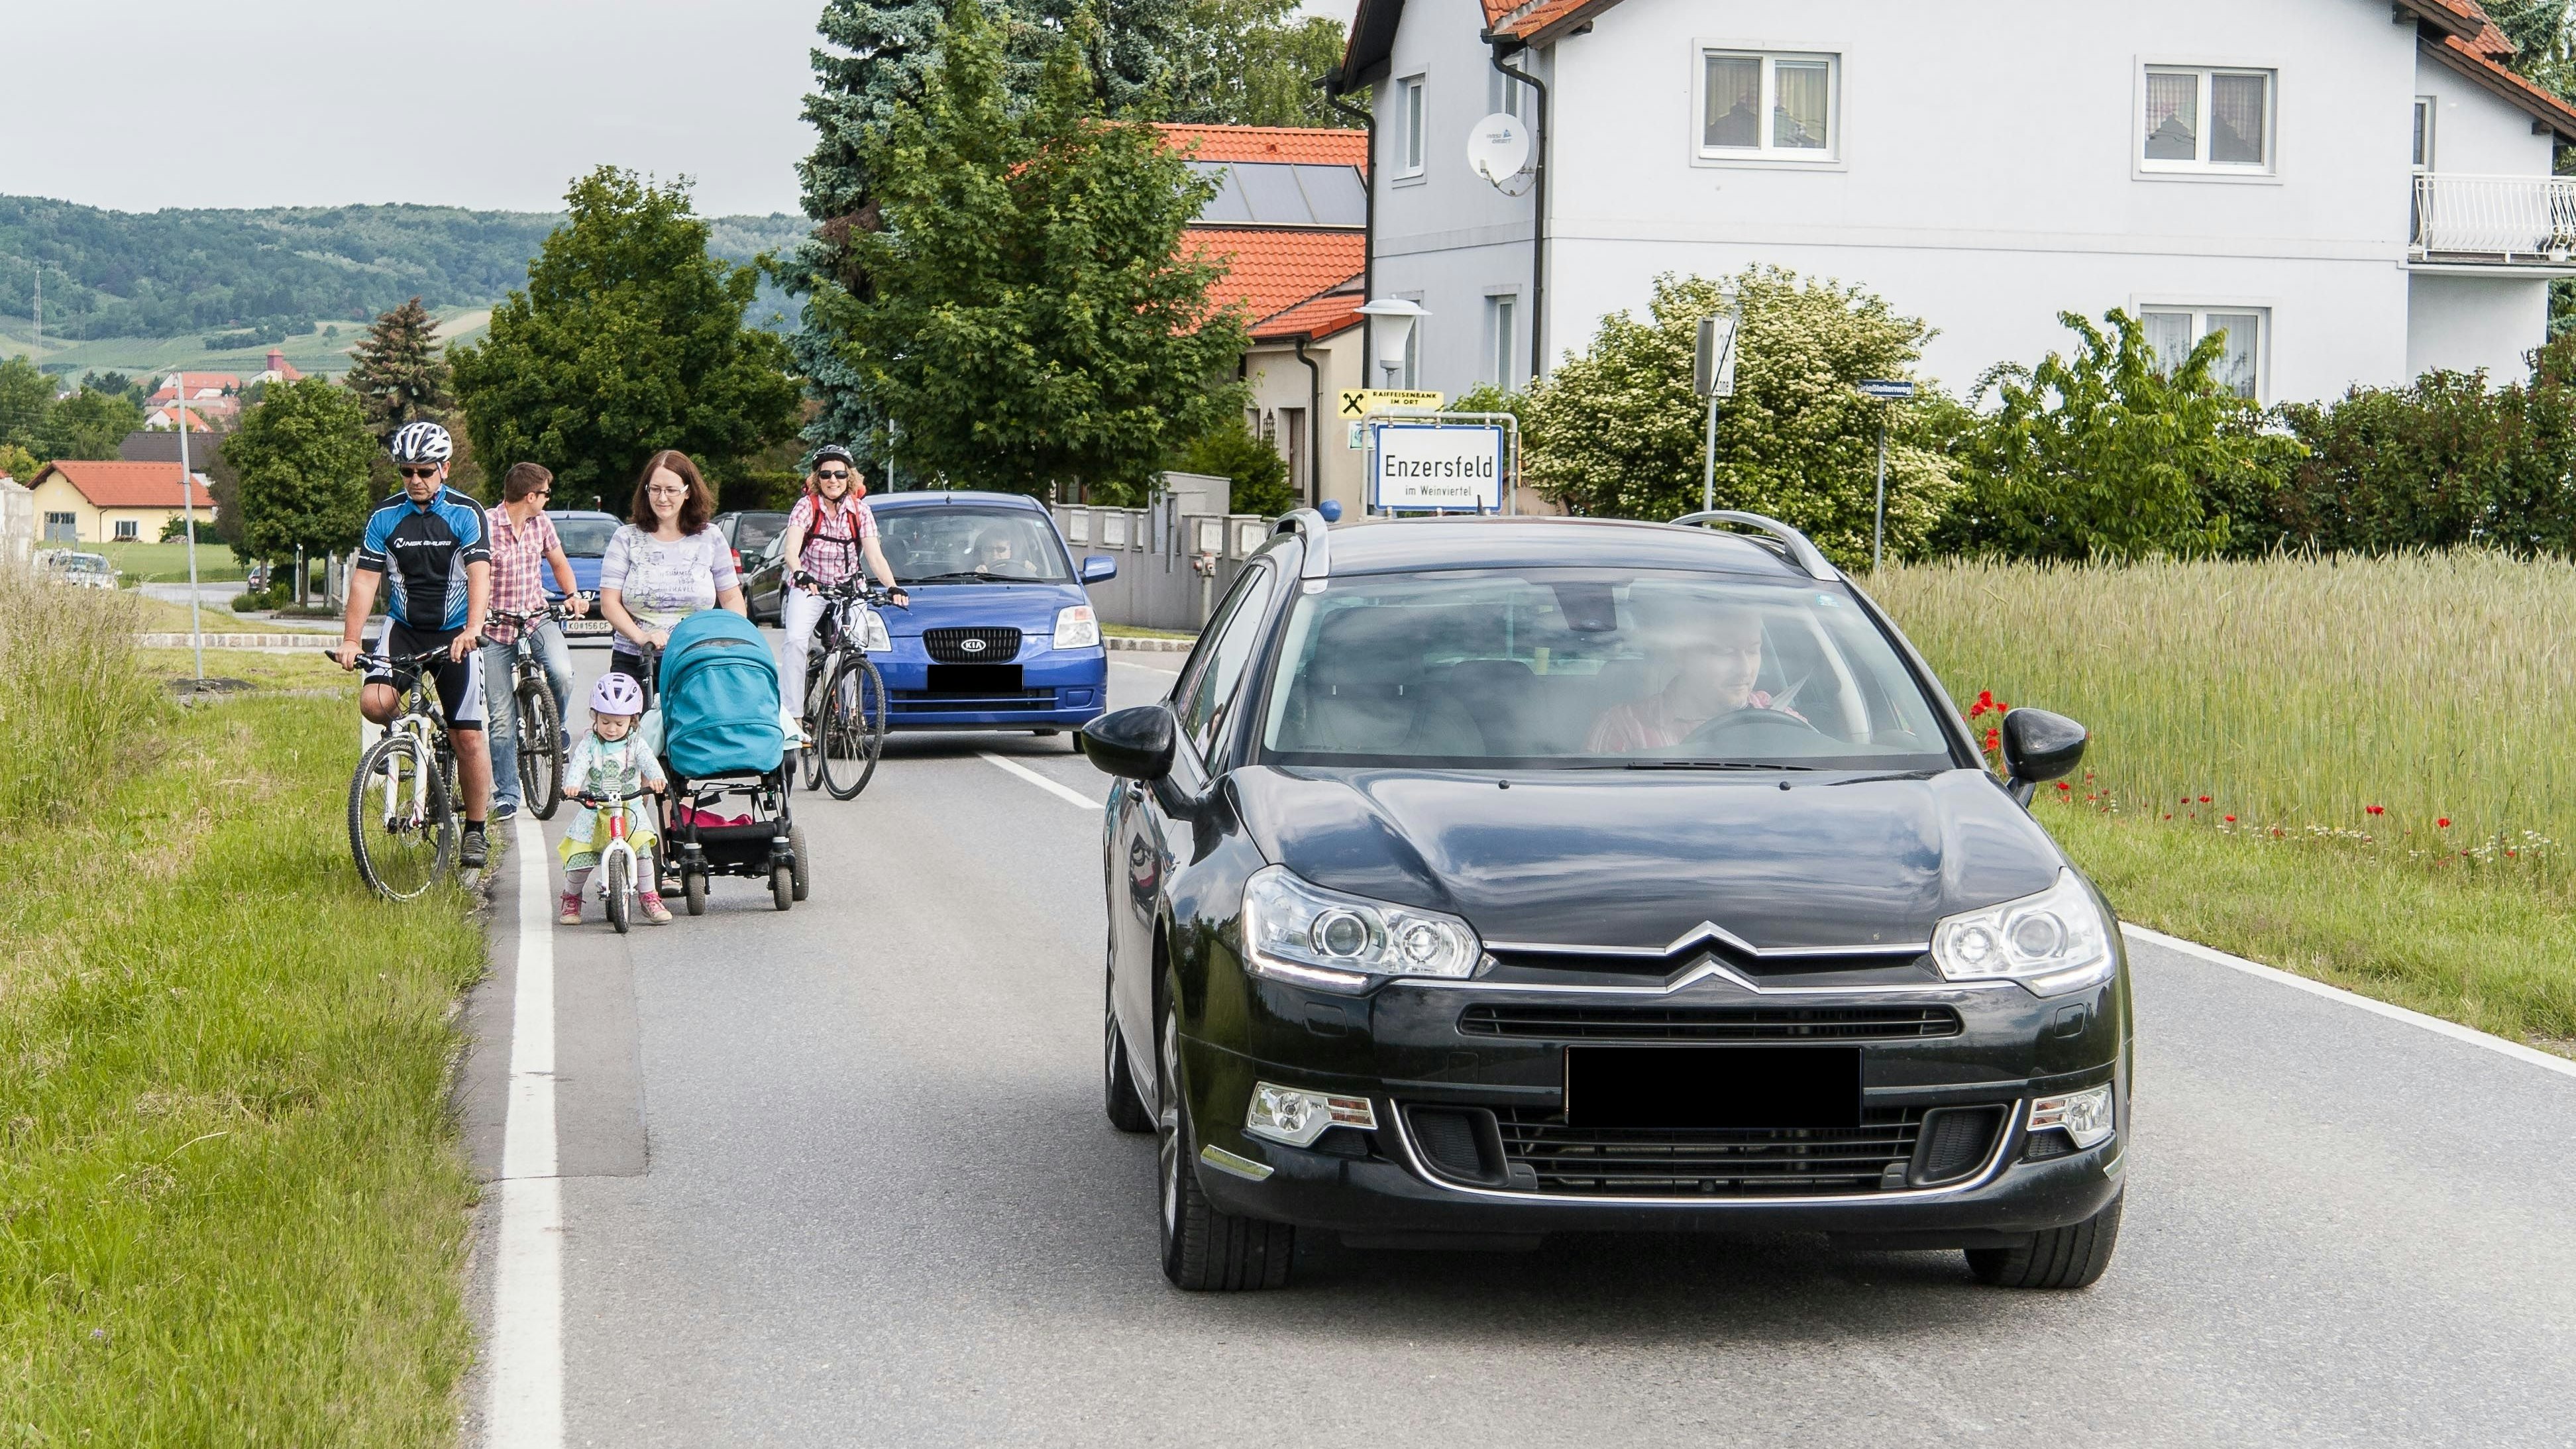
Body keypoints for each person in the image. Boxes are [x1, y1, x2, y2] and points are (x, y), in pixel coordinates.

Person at [332, 420, 498, 871]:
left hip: (455, 634)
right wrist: (351, 640)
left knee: (467, 735)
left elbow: (480, 574)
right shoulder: (385, 516)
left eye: (424, 471)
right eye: (407, 472)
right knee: (373, 701)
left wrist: (473, 628)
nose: (415, 481)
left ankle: (477, 830)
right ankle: (403, 737)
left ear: (444, 468)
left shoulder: (466, 512)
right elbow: (366, 580)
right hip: (404, 627)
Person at [479, 461, 588, 820]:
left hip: (535, 617)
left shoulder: (541, 523)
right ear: (530, 496)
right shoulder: (485, 525)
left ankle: (555, 725)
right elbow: (471, 575)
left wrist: (571, 594)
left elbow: (558, 562)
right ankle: (508, 793)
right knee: (500, 719)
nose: (547, 500)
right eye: (545, 494)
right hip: (495, 628)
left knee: (562, 672)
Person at [777, 444, 904, 735]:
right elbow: (791, 551)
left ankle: (852, 712)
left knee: (856, 643)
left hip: (849, 587)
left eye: (839, 474)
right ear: (816, 479)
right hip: (811, 585)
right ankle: (793, 717)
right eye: (825, 475)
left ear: (850, 478)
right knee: (795, 640)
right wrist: (800, 572)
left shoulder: (860, 511)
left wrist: (893, 586)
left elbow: (874, 555)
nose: (833, 480)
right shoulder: (806, 507)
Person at [597, 449, 746, 693]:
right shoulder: (626, 538)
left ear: (687, 492)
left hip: (696, 661)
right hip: (637, 660)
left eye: (671, 490)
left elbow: (731, 598)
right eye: (655, 489)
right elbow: (609, 603)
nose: (662, 498)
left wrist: (734, 639)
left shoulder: (710, 537)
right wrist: (641, 637)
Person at [1585, 599, 1801, 753]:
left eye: (1753, 651)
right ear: (1681, 656)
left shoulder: (1783, 722)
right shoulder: (1624, 731)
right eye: (1725, 652)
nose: (1745, 670)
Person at [557, 672, 671, 926]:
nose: (611, 729)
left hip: (629, 807)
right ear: (594, 716)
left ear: (633, 721)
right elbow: (579, 764)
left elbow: (649, 763)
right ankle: (571, 898)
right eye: (605, 721)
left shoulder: (636, 744)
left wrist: (656, 779)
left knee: (642, 850)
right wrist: (573, 784)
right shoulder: (590, 744)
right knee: (580, 855)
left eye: (619, 724)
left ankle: (649, 896)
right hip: (595, 807)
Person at [971, 528, 1041, 579]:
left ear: (1010, 552)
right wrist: (976, 577)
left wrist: (1030, 571)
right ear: (982, 553)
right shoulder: (969, 572)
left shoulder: (1021, 572)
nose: (994, 553)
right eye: (989, 549)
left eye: (1001, 549)